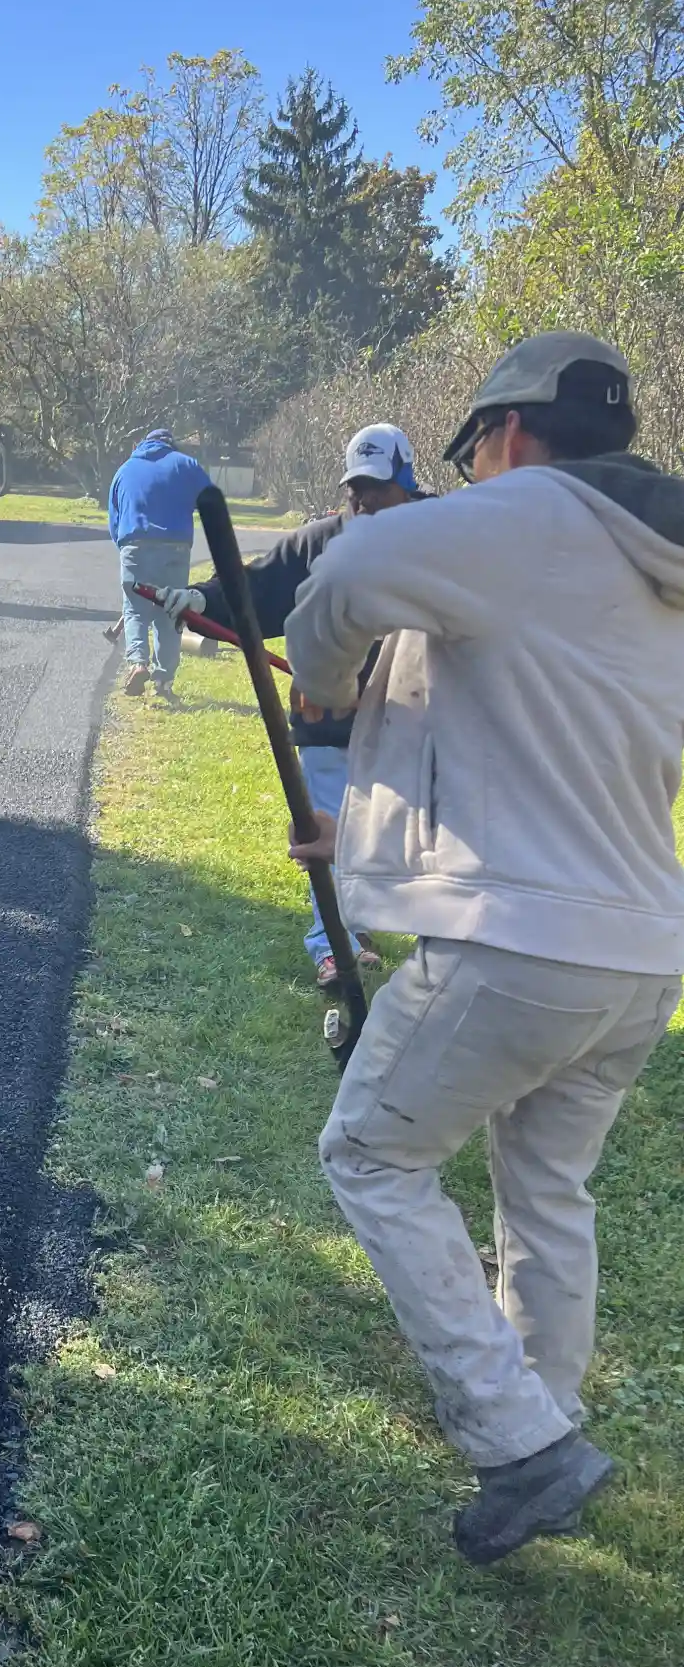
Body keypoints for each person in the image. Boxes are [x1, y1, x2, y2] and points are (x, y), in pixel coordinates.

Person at [283, 333, 684, 1565]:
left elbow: (352, 568)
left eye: (476, 449)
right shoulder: (655, 565)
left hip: (520, 943)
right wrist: (357, 826)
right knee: (544, 1189)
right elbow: (531, 735)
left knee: (370, 1151)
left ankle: (520, 1443)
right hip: (639, 955)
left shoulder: (526, 517)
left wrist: (321, 682)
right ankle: (544, 1424)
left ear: (508, 436)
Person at [183, 423, 423, 986]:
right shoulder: (320, 542)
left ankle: (372, 923)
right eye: (355, 489)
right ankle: (333, 939)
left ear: (406, 483)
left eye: (377, 489)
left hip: (406, 721)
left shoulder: (436, 540)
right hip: (327, 721)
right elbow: (258, 589)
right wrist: (202, 599)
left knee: (393, 832)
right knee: (328, 828)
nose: (363, 502)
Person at [107, 430, 214, 701]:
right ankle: (163, 683)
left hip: (135, 546)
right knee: (170, 614)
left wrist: (127, 551)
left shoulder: (124, 470)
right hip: (175, 549)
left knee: (134, 611)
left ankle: (138, 664)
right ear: (170, 445)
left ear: (143, 444)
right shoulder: (185, 464)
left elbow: (114, 521)